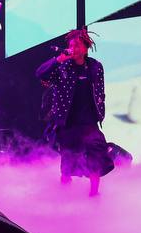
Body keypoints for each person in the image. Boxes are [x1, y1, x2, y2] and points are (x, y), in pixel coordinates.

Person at [36, 28, 112, 197]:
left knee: (95, 155)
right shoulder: (62, 67)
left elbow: (99, 92)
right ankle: (65, 192)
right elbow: (40, 74)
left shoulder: (95, 67)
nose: (74, 48)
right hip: (67, 121)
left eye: (77, 45)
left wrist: (100, 111)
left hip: (89, 122)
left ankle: (94, 193)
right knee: (68, 160)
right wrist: (58, 59)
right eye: (71, 45)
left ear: (85, 48)